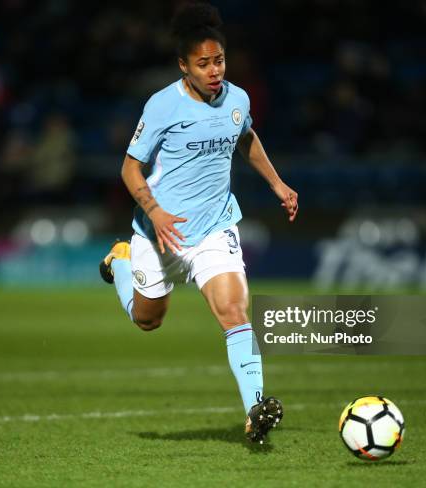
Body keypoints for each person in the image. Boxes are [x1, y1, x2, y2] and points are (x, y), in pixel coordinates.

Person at [99, 2, 298, 444]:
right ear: (183, 66)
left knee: (233, 310)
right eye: (203, 63)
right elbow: (129, 169)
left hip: (214, 227)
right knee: (149, 320)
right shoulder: (162, 105)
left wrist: (278, 184)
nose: (214, 71)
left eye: (219, 60)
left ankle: (255, 410)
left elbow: (245, 138)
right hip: (160, 233)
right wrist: (154, 213)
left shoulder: (237, 99)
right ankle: (120, 262)